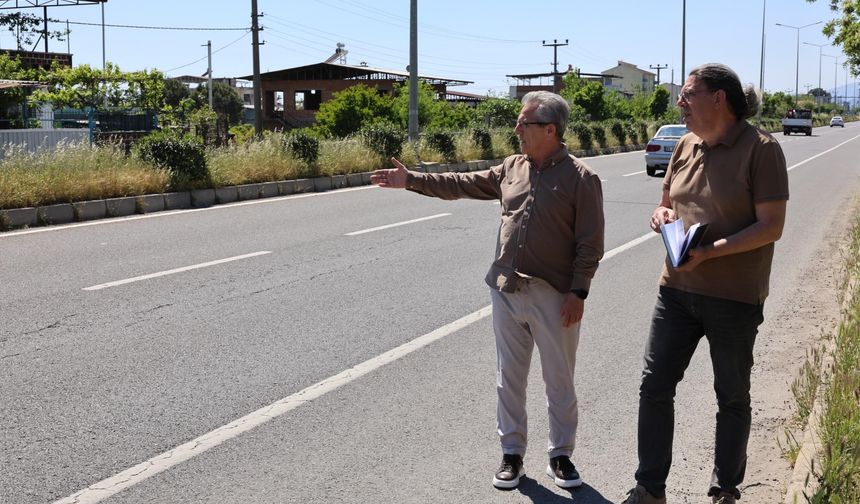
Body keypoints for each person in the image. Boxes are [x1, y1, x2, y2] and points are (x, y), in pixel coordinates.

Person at [371, 91, 604, 490]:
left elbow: (589, 244)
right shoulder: (512, 167)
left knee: (559, 379)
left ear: (550, 129)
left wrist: (578, 293)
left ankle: (560, 455)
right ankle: (512, 455)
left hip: (555, 295)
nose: (516, 129)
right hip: (507, 289)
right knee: (508, 377)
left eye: (523, 123)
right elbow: (461, 183)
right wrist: (411, 179)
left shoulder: (582, 178)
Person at [621, 64, 789, 504]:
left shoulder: (762, 149)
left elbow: (771, 226)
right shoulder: (684, 143)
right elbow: (665, 203)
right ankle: (649, 489)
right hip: (675, 290)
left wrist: (711, 250)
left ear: (720, 99)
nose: (680, 102)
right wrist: (661, 217)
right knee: (654, 387)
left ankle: (724, 490)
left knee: (731, 395)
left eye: (689, 94)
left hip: (733, 296)